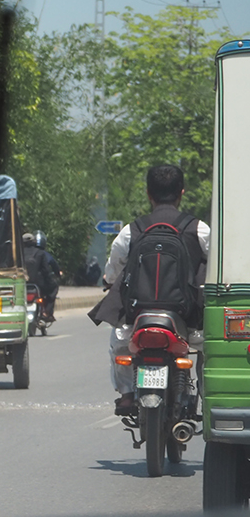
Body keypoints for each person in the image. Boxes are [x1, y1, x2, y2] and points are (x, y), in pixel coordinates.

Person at [89, 164, 209, 415]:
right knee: (209, 349)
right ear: (181, 192)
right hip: (188, 318)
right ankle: (207, 397)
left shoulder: (132, 230)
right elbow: (218, 264)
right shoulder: (198, 229)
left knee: (119, 343)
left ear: (148, 194)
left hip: (138, 316)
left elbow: (113, 269)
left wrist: (109, 281)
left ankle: (126, 394)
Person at [23, 230, 60, 322]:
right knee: (53, 288)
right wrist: (51, 280)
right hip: (37, 283)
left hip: (21, 283)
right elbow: (46, 270)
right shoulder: (40, 253)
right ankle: (46, 312)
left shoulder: (18, 253)